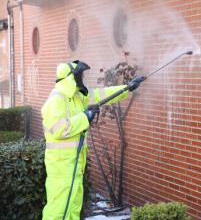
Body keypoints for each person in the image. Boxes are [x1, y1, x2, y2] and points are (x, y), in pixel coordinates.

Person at [41, 60, 143, 220]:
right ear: (70, 78)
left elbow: (101, 94)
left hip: (73, 164)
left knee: (73, 206)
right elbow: (58, 129)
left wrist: (127, 88)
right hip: (62, 167)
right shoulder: (56, 100)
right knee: (59, 209)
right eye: (79, 75)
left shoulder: (76, 97)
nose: (82, 78)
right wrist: (85, 117)